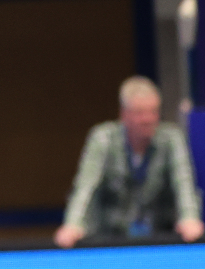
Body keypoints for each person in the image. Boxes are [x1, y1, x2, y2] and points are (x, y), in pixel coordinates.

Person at [55, 77, 204, 247]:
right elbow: (86, 186)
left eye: (153, 111)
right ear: (124, 114)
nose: (148, 119)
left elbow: (184, 184)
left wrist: (189, 218)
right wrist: (73, 224)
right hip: (109, 238)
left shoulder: (172, 139)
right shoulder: (103, 139)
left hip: (159, 238)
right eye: (140, 112)